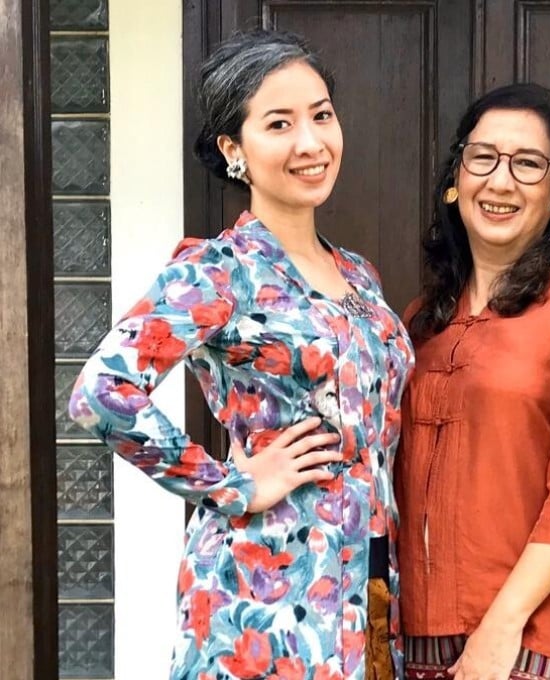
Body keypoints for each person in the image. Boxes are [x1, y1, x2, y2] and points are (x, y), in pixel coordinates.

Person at [68, 30, 413, 680]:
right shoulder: (219, 270)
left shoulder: (361, 277)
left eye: (321, 115)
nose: (310, 143)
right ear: (234, 149)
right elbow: (102, 392)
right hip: (261, 595)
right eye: (279, 123)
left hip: (365, 593)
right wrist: (231, 485)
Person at [396, 84, 550, 680]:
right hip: (421, 636)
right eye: (482, 157)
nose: (500, 182)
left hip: (537, 639)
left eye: (528, 164)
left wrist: (500, 627)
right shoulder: (417, 320)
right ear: (456, 178)